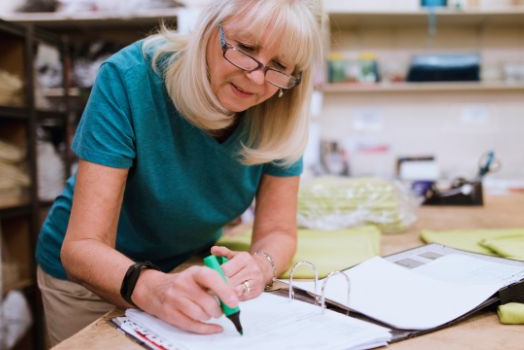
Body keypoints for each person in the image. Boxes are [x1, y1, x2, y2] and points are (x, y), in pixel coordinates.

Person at [33, 0, 323, 345]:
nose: (257, 77)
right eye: (245, 48)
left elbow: (278, 230)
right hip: (90, 280)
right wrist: (153, 287)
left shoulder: (280, 108)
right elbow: (82, 248)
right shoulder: (133, 76)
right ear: (207, 30)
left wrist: (261, 266)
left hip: (184, 266)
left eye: (278, 66)